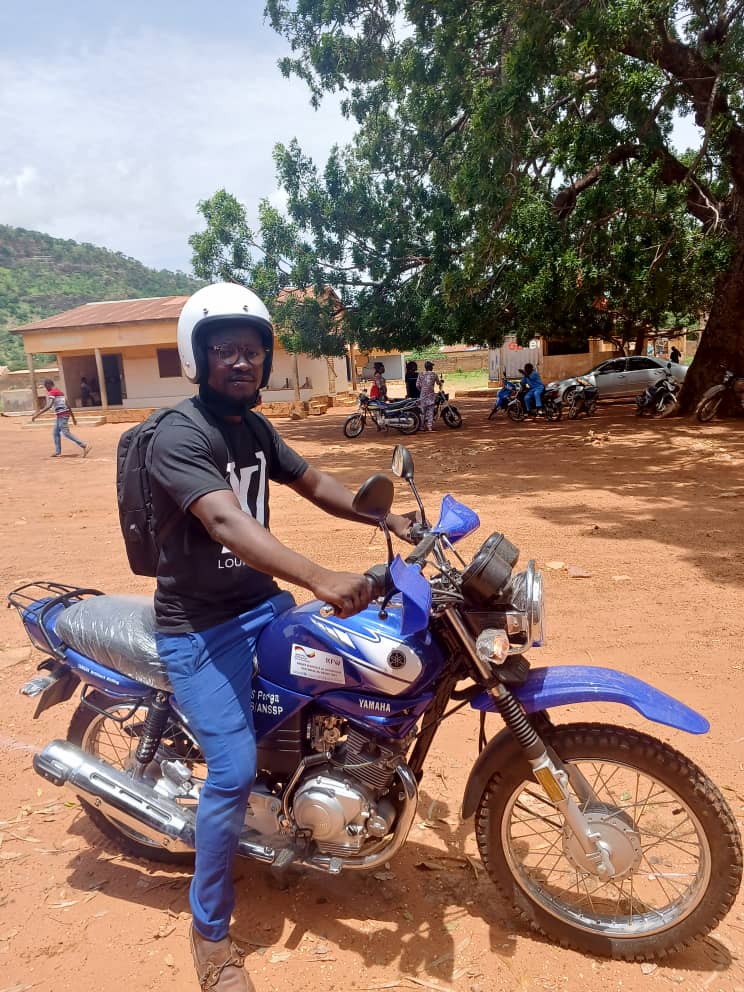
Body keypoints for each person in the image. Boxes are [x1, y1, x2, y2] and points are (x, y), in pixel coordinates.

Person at [148, 283, 414, 992]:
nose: (242, 360)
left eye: (252, 349)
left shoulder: (255, 428)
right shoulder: (179, 434)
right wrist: (321, 575)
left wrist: (388, 521)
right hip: (199, 629)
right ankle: (209, 939)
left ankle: (307, 792)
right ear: (197, 358)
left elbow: (316, 481)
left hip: (260, 605)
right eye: (225, 350)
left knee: (340, 679)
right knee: (231, 770)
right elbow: (229, 524)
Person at [31, 379, 92, 458]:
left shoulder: (52, 392)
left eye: (46, 386)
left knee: (66, 433)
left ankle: (84, 445)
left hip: (62, 415)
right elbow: (68, 405)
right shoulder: (60, 392)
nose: (46, 388)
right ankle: (57, 452)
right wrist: (73, 418)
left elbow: (49, 406)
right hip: (62, 415)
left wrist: (37, 414)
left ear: (49, 385)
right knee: (55, 433)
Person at [416, 360, 442, 431]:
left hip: (423, 396)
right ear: (430, 367)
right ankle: (429, 426)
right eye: (432, 366)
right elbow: (438, 383)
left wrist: (422, 390)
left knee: (422, 411)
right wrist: (440, 383)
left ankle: (421, 426)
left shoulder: (421, 374)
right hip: (431, 395)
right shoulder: (434, 374)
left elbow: (417, 385)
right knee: (430, 411)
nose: (432, 367)